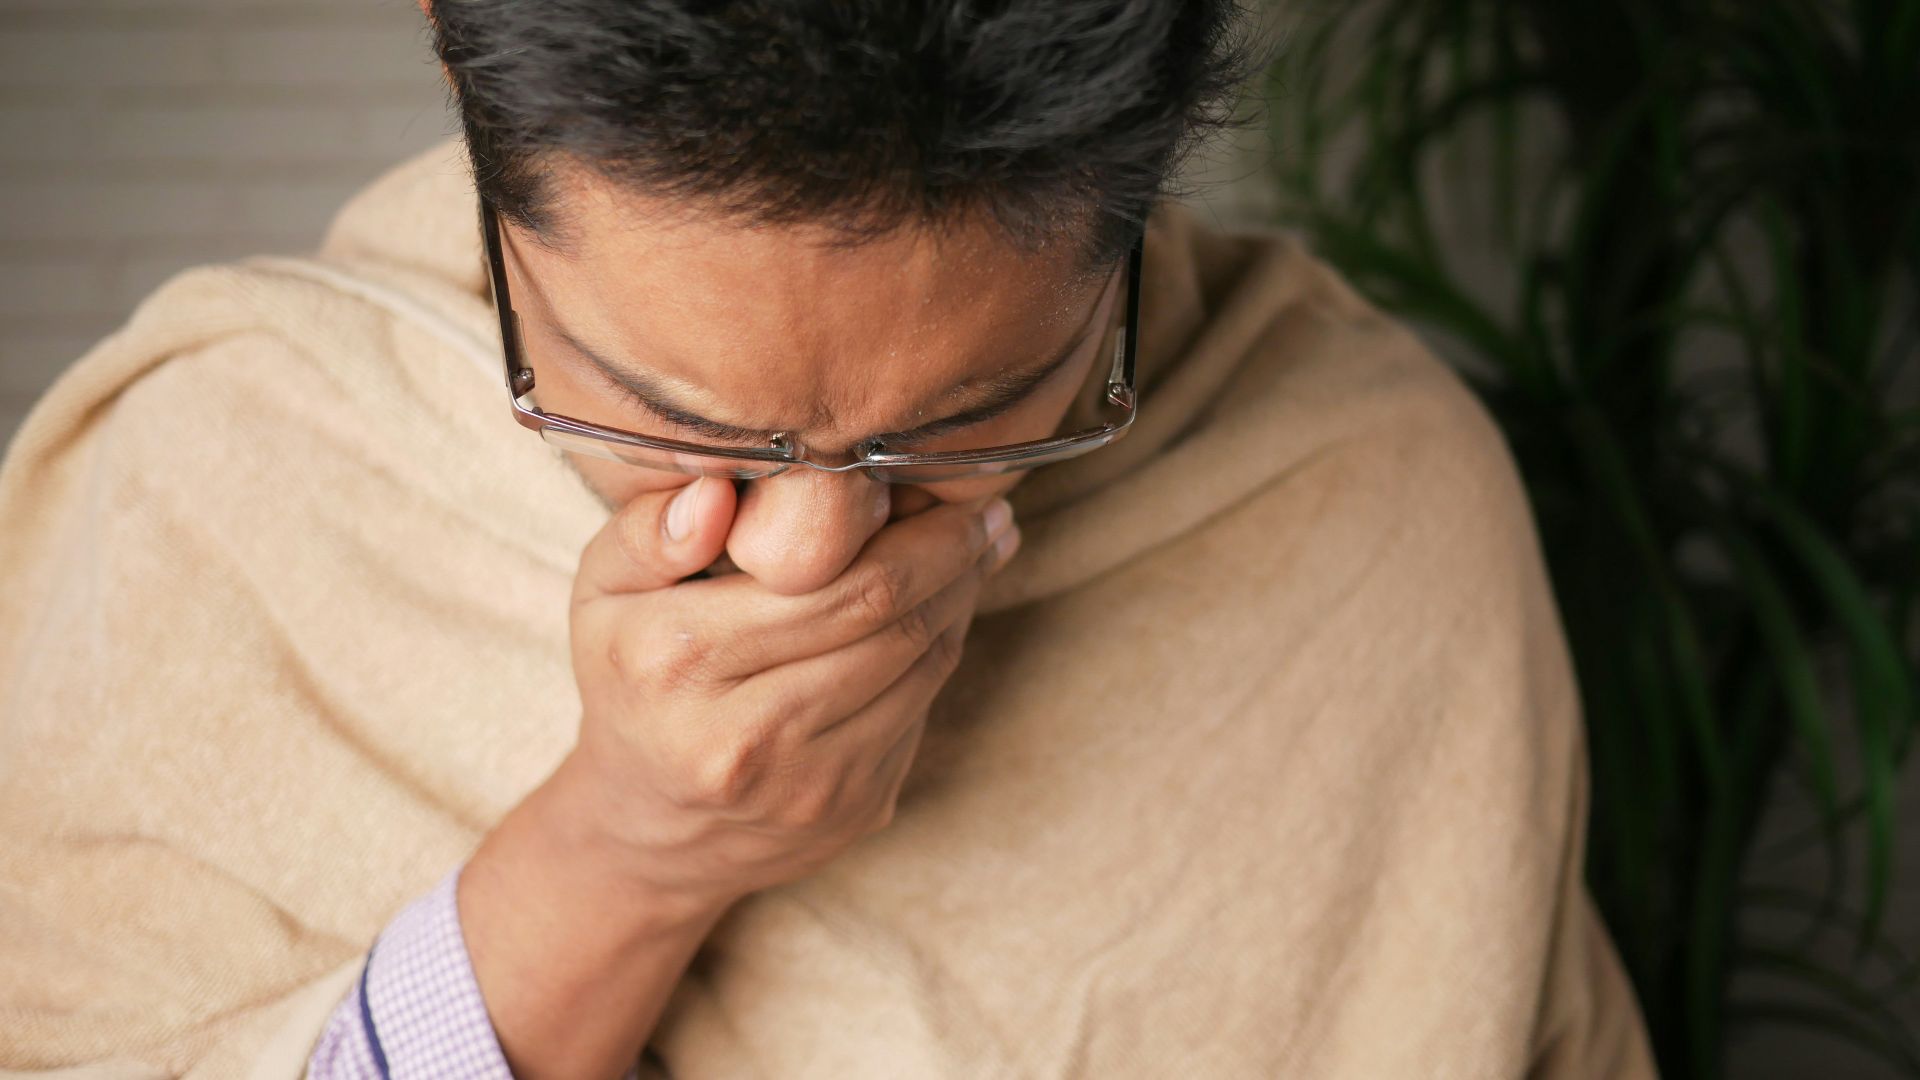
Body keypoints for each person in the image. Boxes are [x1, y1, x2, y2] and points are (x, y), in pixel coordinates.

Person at [0, 2, 1657, 1077]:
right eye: (664, 414)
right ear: (464, 86)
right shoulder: (215, 482)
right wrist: (619, 857)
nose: (809, 552)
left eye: (981, 410)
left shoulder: (1374, 498)